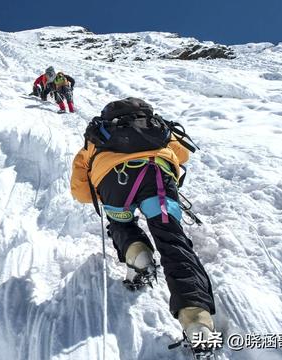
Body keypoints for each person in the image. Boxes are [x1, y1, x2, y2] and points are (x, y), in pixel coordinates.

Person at [70, 98, 216, 353]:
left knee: (121, 225)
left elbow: (82, 192)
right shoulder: (156, 127)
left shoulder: (96, 135)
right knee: (172, 240)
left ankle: (138, 256)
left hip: (114, 183)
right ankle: (197, 322)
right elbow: (183, 154)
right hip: (157, 177)